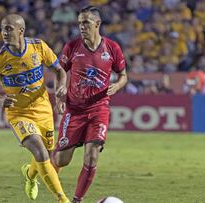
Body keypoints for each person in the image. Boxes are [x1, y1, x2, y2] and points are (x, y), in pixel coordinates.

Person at [0, 14, 70, 203]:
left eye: (9, 28)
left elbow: (59, 70)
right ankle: (63, 200)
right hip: (18, 113)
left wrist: (61, 87)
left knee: (49, 156)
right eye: (3, 28)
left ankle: (30, 175)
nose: (4, 32)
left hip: (43, 109)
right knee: (39, 151)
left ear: (21, 30)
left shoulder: (38, 47)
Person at [53, 6, 128, 203]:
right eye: (79, 23)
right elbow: (60, 71)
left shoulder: (112, 48)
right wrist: (60, 91)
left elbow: (124, 76)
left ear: (97, 23)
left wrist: (117, 86)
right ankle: (38, 168)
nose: (82, 27)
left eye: (85, 22)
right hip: (74, 109)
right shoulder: (72, 47)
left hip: (99, 108)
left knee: (92, 156)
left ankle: (77, 200)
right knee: (62, 160)